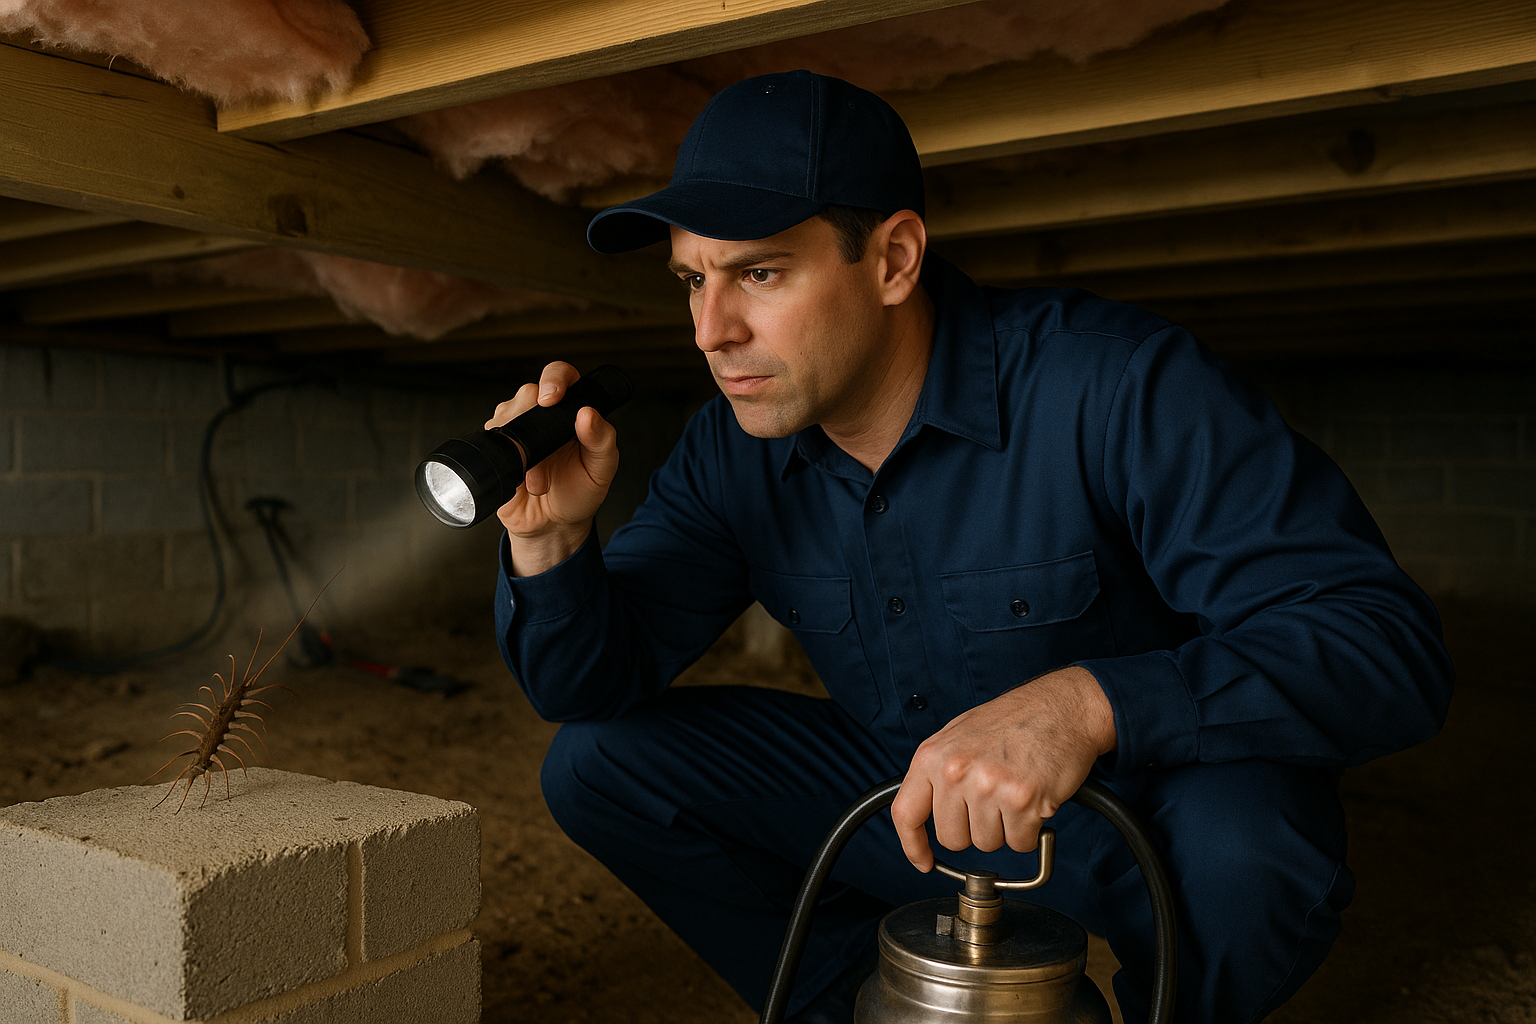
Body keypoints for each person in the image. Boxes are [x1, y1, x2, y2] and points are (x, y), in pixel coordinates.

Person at [489, 70, 1453, 1023]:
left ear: (895, 259)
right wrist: (552, 542)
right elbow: (585, 689)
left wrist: (1084, 705)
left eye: (761, 273)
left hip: (1140, 818)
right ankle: (858, 1009)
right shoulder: (731, 452)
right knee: (601, 763)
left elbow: (1385, 645)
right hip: (908, 806)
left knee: (1255, 849)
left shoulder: (1120, 386)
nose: (710, 329)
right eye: (694, 279)